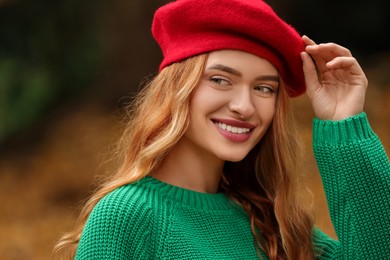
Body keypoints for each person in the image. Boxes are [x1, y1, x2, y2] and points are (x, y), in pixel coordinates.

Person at [54, 0, 390, 259]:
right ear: (177, 89)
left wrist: (344, 126)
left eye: (264, 88)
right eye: (220, 79)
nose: (245, 106)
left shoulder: (272, 224)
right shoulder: (127, 216)